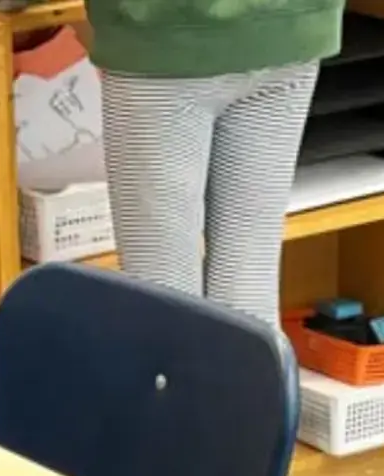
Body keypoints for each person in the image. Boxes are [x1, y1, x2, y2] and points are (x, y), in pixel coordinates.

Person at [82, 0, 341, 323]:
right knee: (247, 277)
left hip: (161, 35)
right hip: (289, 27)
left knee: (163, 291)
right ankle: (246, 374)